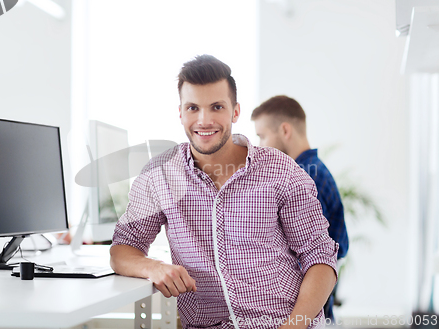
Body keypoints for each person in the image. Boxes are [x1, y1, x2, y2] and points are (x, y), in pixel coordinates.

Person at [110, 55, 338, 329]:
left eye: (217, 107)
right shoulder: (159, 175)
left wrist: (294, 326)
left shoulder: (281, 170)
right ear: (180, 112)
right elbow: (122, 249)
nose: (204, 120)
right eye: (193, 107)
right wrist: (153, 267)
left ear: (235, 111)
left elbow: (320, 256)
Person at [251, 95, 349, 321]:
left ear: (285, 131)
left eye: (262, 136)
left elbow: (314, 255)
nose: (259, 146)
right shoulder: (314, 170)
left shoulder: (303, 178)